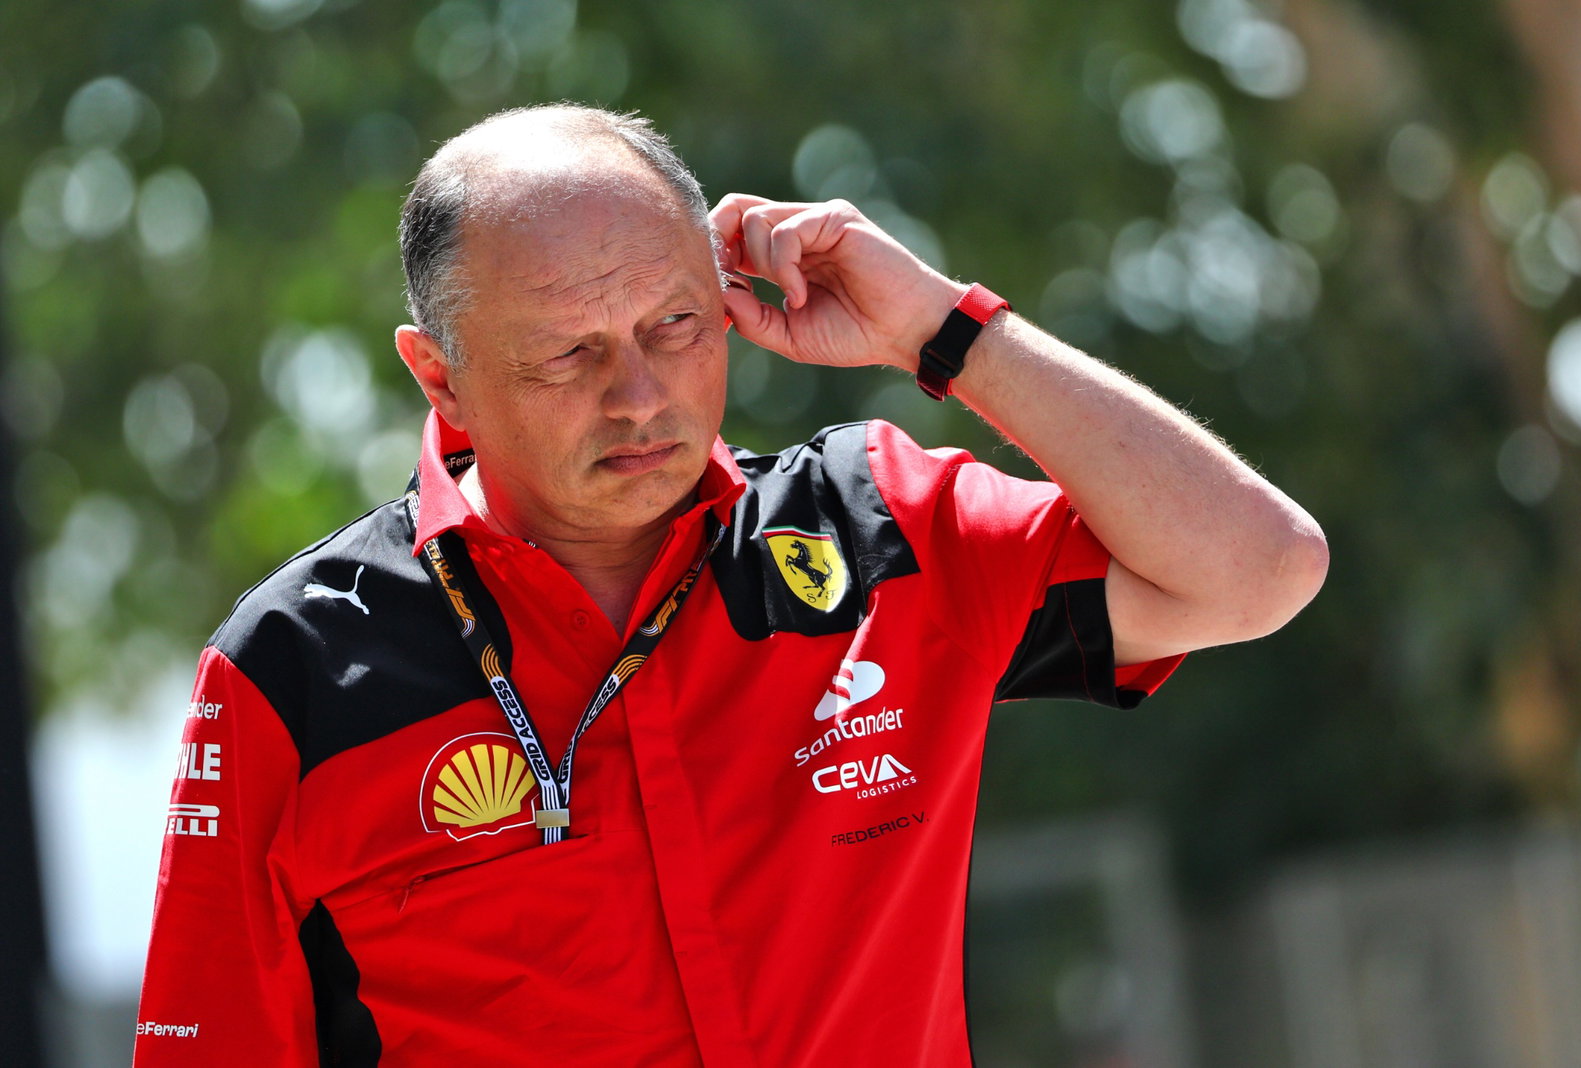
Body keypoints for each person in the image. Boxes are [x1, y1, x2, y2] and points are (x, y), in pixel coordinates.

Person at [135, 104, 1327, 1065]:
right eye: (568, 352)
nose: (640, 395)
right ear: (438, 378)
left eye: (673, 324)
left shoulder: (881, 531)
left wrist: (939, 331)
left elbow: (1259, 570)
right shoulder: (293, 668)